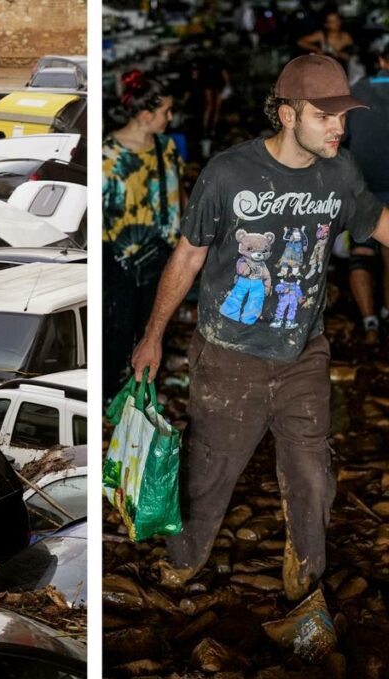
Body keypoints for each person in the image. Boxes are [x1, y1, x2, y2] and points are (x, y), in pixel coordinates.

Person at [131, 55, 389, 600]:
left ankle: (305, 580)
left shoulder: (340, 173)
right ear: (288, 115)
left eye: (343, 116)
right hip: (229, 357)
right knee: (208, 474)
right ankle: (185, 559)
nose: (339, 128)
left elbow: (378, 222)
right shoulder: (228, 174)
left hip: (304, 353)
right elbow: (187, 258)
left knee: (313, 475)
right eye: (325, 116)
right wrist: (153, 336)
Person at [102, 70, 182, 401]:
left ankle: (145, 393)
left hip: (164, 256)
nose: (170, 118)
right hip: (120, 262)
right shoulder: (107, 158)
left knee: (155, 326)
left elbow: (180, 193)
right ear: (146, 114)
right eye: (166, 112)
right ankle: (114, 397)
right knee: (119, 332)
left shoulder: (166, 148)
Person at [343, 43, 389, 343]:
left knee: (361, 250)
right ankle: (386, 311)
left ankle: (369, 322)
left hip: (361, 186)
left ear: (381, 60)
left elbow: (340, 138)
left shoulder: (356, 91)